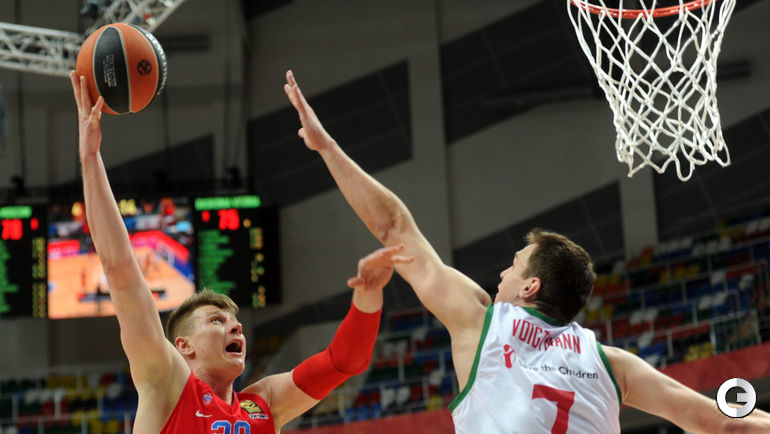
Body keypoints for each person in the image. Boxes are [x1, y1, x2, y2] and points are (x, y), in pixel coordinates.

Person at [283, 69, 770, 433]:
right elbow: (722, 422)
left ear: (531, 286)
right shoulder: (614, 364)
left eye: (513, 267)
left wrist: (327, 148)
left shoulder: (481, 323)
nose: (501, 274)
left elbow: (392, 226)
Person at [70, 70, 413, 433]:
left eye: (233, 321)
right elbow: (121, 270)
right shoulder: (166, 383)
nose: (235, 326)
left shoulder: (264, 403)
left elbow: (344, 362)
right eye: (216, 321)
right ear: (184, 345)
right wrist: (90, 156)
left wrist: (368, 296)